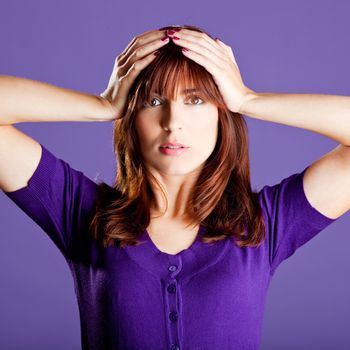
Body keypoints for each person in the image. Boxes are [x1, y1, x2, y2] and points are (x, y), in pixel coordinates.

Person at [0, 23, 348, 350]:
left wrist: (247, 100)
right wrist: (102, 105)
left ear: (221, 115)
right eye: (153, 101)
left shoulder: (264, 224)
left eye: (195, 100)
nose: (172, 123)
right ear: (130, 118)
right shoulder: (82, 211)